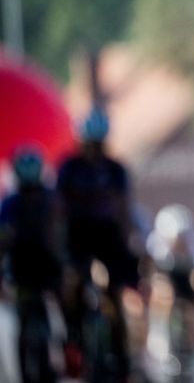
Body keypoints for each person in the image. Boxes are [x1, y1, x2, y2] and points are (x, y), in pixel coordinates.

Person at [57, 107, 141, 380]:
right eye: (90, 144)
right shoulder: (69, 168)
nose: (94, 150)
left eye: (99, 144)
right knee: (72, 287)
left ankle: (122, 353)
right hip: (77, 237)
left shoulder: (115, 170)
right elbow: (57, 209)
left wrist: (131, 240)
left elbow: (124, 208)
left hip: (108, 238)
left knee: (113, 291)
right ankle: (75, 343)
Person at [0, 148, 64, 383]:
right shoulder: (15, 204)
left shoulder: (47, 201)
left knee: (46, 321)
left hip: (39, 274)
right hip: (28, 275)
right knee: (27, 324)